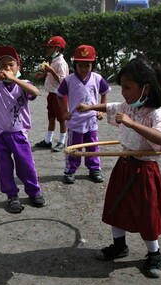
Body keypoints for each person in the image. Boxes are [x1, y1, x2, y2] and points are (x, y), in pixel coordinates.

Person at [76, 55, 161, 278]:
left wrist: (132, 123)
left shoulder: (156, 113)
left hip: (144, 170)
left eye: (127, 87)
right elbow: (110, 106)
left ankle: (154, 254)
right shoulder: (128, 106)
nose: (123, 93)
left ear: (145, 88)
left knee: (147, 214)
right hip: (124, 164)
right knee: (115, 206)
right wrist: (89, 106)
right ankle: (119, 245)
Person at [0, 46, 46, 213]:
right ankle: (12, 196)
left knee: (26, 165)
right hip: (0, 134)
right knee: (4, 167)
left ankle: (34, 192)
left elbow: (35, 92)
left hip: (19, 133)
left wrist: (14, 79)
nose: (7, 69)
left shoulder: (24, 85)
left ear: (18, 66)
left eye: (10, 65)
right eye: (2, 65)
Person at [56, 44, 110, 184]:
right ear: (75, 65)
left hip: (91, 120)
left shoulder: (97, 78)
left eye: (88, 65)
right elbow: (59, 95)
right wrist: (65, 111)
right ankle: (70, 170)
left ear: (92, 65)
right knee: (74, 147)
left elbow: (104, 94)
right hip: (75, 121)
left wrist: (100, 110)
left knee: (92, 145)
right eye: (81, 65)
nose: (84, 69)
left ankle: (94, 169)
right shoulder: (68, 80)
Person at [34, 35, 70, 152]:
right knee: (51, 117)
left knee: (62, 118)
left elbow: (63, 81)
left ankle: (62, 141)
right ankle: (48, 140)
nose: (47, 50)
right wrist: (44, 74)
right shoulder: (54, 60)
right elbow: (53, 75)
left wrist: (51, 71)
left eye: (50, 47)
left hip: (59, 94)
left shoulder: (61, 63)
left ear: (58, 49)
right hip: (51, 93)